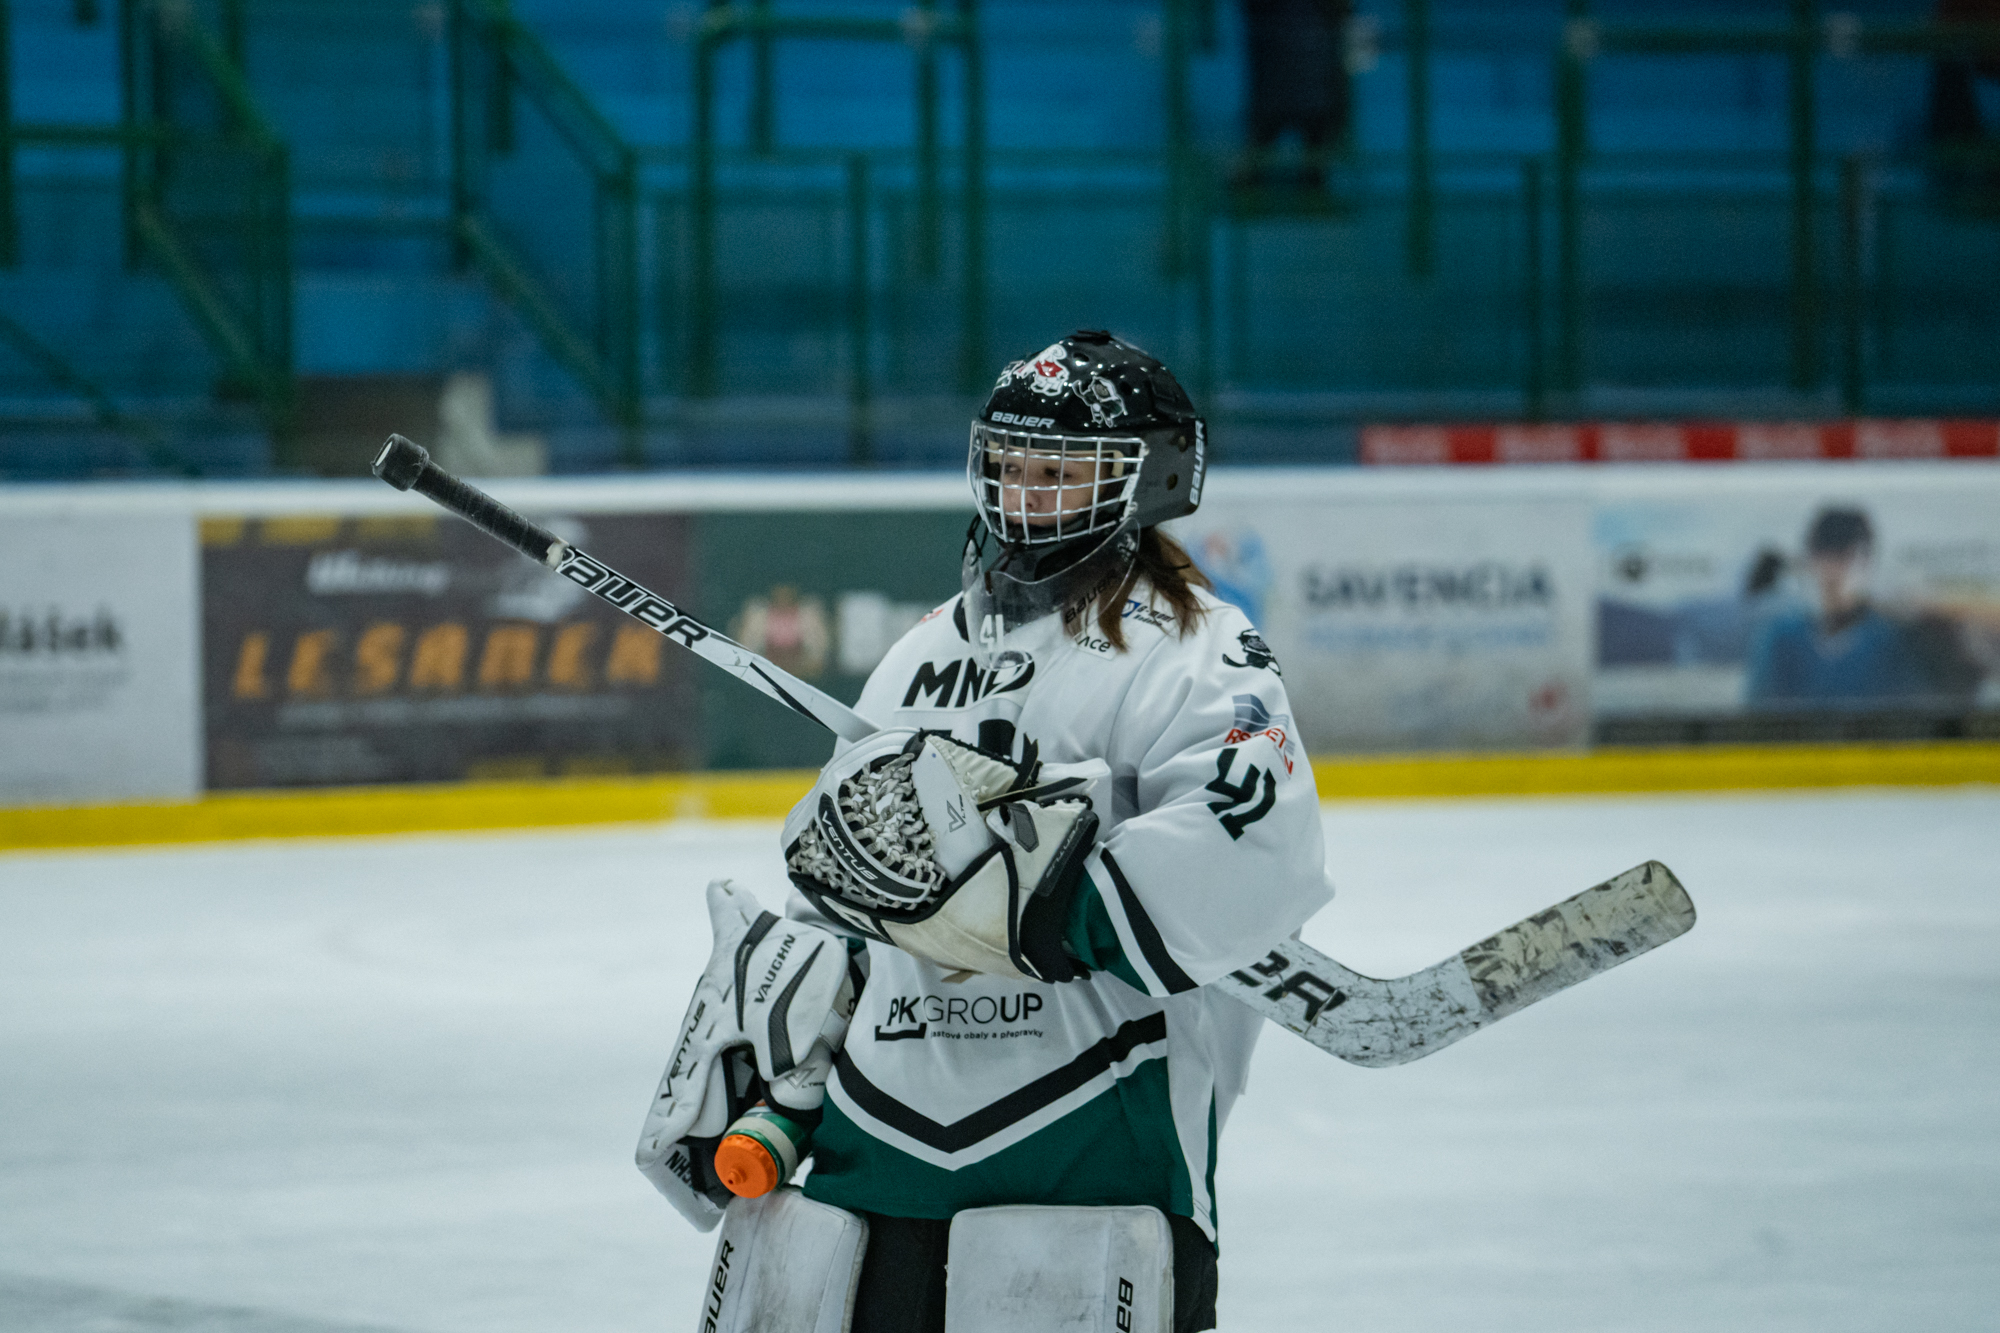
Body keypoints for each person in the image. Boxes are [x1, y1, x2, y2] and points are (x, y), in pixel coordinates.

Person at [637, 332, 1334, 1333]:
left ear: (1153, 479)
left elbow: (1254, 833)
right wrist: (769, 1048)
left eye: (1059, 473)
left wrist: (1048, 903)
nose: (1024, 495)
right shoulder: (923, 652)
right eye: (1010, 467)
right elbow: (844, 879)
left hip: (1088, 1123)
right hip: (878, 1120)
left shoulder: (1192, 651)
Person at [1745, 506, 1981, 710]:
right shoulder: (1781, 636)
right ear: (1810, 559)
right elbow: (1761, 715)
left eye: (1845, 558)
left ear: (1867, 563)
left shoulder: (1895, 636)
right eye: (1824, 556)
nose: (1833, 572)